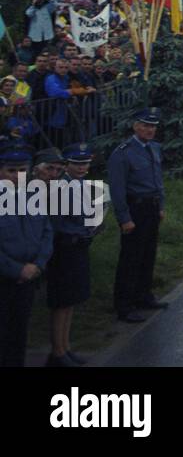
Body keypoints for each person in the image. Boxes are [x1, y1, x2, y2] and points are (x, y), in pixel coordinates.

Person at [108, 109, 168, 323]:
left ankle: (143, 295)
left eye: (153, 126)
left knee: (148, 254)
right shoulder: (123, 153)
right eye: (145, 125)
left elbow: (157, 180)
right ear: (135, 127)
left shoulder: (153, 148)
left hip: (151, 207)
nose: (150, 130)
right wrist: (124, 218)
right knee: (131, 258)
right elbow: (117, 189)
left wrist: (160, 206)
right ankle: (124, 305)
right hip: (135, 209)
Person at [45, 143, 101, 367]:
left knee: (72, 300)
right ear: (66, 165)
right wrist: (83, 230)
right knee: (62, 301)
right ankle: (57, 352)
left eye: (85, 163)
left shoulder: (80, 184)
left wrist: (92, 227)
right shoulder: (60, 187)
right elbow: (59, 223)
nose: (82, 168)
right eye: (77, 164)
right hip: (64, 247)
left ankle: (66, 347)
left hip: (78, 245)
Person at [0, 146, 52, 367]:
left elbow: (47, 232)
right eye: (11, 170)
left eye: (22, 170)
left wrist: (37, 265)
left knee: (20, 332)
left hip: (30, 276)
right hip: (4, 278)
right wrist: (16, 269)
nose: (17, 175)